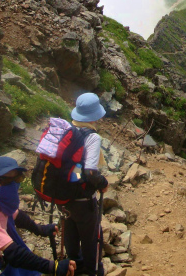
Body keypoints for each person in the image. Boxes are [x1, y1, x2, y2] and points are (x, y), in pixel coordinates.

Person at [0, 156, 76, 276]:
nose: (13, 184)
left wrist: (40, 229)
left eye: (18, 179)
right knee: (10, 262)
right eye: (7, 180)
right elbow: (14, 253)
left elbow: (18, 217)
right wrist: (53, 267)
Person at [60, 93, 110, 276]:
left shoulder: (66, 129)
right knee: (91, 240)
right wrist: (103, 183)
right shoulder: (92, 137)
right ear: (95, 116)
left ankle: (74, 267)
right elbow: (90, 171)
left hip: (63, 196)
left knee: (70, 236)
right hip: (83, 200)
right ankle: (93, 271)